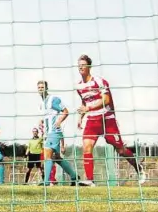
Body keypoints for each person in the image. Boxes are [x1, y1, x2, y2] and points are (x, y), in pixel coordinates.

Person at [75, 54, 146, 186]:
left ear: (89, 66)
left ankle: (138, 167)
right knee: (86, 147)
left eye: (83, 64)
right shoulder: (79, 86)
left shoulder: (100, 81)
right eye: (79, 64)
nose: (81, 67)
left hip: (107, 119)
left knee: (120, 150)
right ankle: (90, 180)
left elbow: (106, 100)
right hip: (92, 120)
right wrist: (81, 117)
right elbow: (84, 102)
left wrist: (88, 108)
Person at [37, 80, 90, 186]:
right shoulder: (42, 103)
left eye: (42, 87)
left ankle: (46, 182)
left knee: (47, 156)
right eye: (39, 88)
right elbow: (49, 115)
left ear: (46, 88)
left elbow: (66, 111)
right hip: (49, 133)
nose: (40, 89)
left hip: (54, 132)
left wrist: (59, 121)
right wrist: (41, 121)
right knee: (57, 158)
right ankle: (75, 177)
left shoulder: (53, 99)